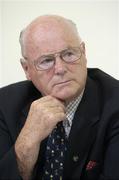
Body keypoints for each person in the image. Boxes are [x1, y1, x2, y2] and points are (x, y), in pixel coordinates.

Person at [0, 14, 119, 180]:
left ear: (83, 53)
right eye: (46, 61)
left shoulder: (115, 103)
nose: (60, 68)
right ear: (27, 69)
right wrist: (26, 144)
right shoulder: (4, 105)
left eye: (69, 54)